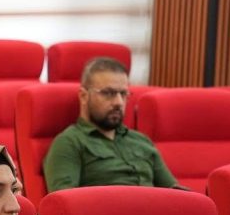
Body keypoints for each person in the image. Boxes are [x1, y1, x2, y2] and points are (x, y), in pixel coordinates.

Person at [44, 57, 182, 192]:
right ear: (84, 96)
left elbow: (176, 193)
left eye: (123, 94)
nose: (119, 102)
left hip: (154, 206)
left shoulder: (142, 141)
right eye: (108, 93)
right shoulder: (69, 142)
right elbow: (63, 202)